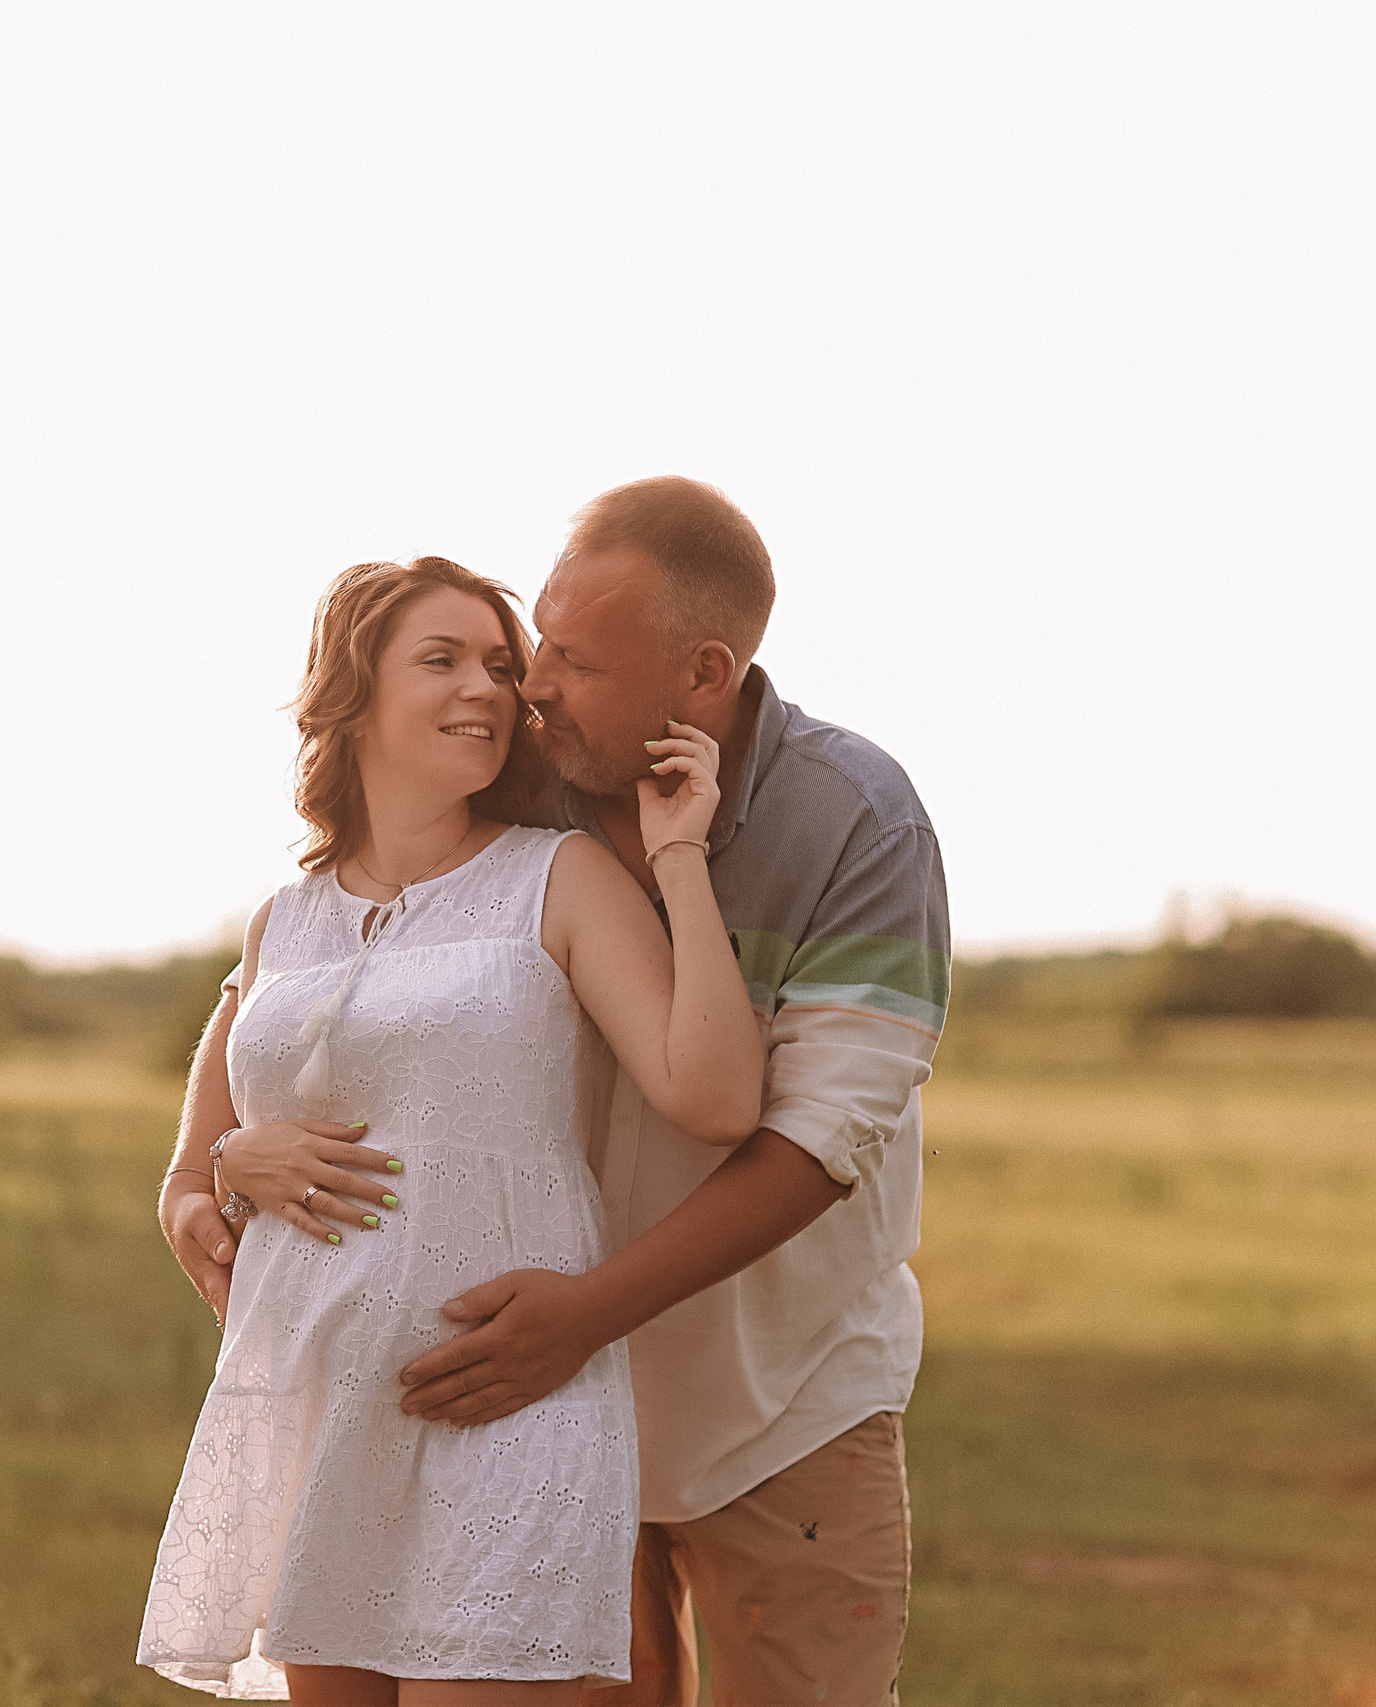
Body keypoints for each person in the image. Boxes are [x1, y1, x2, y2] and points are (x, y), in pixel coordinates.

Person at [165, 480, 947, 1705]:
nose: (522, 687)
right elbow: (296, 973)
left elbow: (811, 1137)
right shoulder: (523, 776)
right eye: (528, 649)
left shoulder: (852, 823)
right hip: (494, 1391)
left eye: (565, 660)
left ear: (698, 675)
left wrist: (585, 1316)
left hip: (766, 1392)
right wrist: (203, 1166)